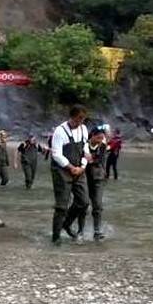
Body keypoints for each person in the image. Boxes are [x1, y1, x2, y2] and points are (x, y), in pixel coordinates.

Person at [50, 105, 91, 245]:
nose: (81, 121)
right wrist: (70, 167)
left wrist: (83, 166)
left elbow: (85, 149)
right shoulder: (59, 131)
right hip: (62, 171)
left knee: (84, 201)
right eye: (79, 118)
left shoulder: (84, 129)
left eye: (83, 119)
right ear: (72, 116)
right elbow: (56, 154)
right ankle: (56, 237)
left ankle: (66, 224)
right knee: (61, 205)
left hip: (79, 170)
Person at [81, 127, 108, 240]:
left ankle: (97, 231)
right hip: (84, 178)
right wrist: (89, 159)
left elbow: (99, 159)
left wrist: (90, 158)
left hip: (98, 178)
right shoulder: (84, 145)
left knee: (97, 205)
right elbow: (82, 159)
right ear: (92, 135)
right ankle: (80, 230)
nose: (100, 140)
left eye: (102, 138)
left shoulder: (102, 146)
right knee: (83, 204)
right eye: (98, 137)